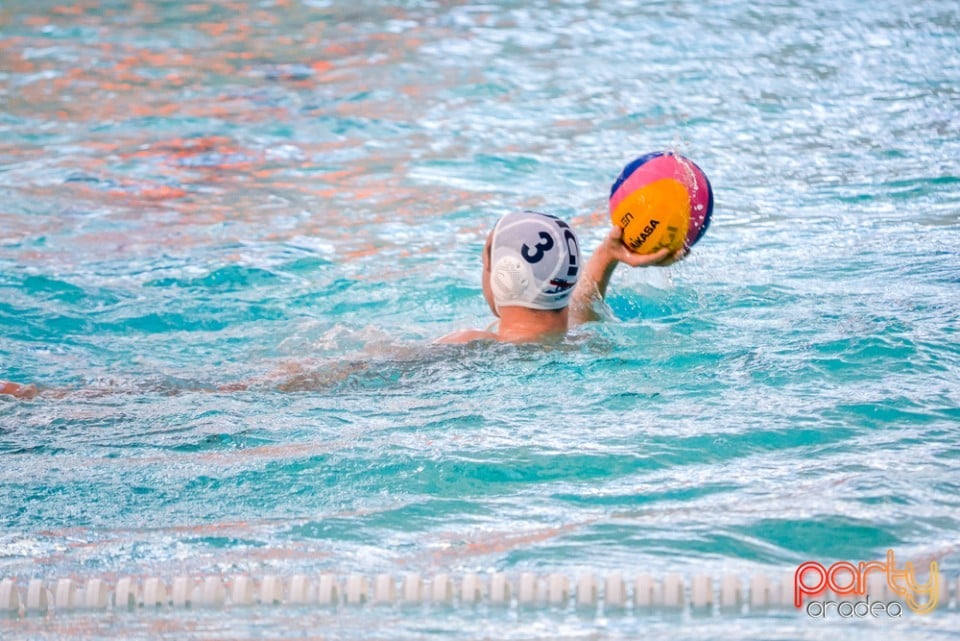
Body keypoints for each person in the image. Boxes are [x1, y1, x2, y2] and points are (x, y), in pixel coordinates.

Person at [438, 210, 682, 344]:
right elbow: (583, 305)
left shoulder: (469, 345)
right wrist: (608, 254)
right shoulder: (584, 339)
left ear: (506, 275)